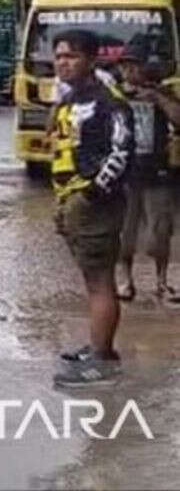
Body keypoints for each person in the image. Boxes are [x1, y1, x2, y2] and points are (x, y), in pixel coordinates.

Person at [48, 29, 134, 386]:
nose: (63, 62)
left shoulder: (107, 99)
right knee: (92, 280)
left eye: (71, 56)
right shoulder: (73, 97)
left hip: (94, 201)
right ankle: (100, 347)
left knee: (100, 282)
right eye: (59, 56)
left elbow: (122, 149)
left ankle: (102, 362)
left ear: (91, 59)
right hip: (72, 197)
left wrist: (94, 193)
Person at [116, 39, 176, 302]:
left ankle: (162, 281)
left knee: (160, 232)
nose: (129, 72)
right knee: (123, 233)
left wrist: (158, 98)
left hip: (157, 174)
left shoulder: (162, 93)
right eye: (125, 66)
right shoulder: (114, 95)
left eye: (134, 66)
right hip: (125, 175)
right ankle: (125, 281)